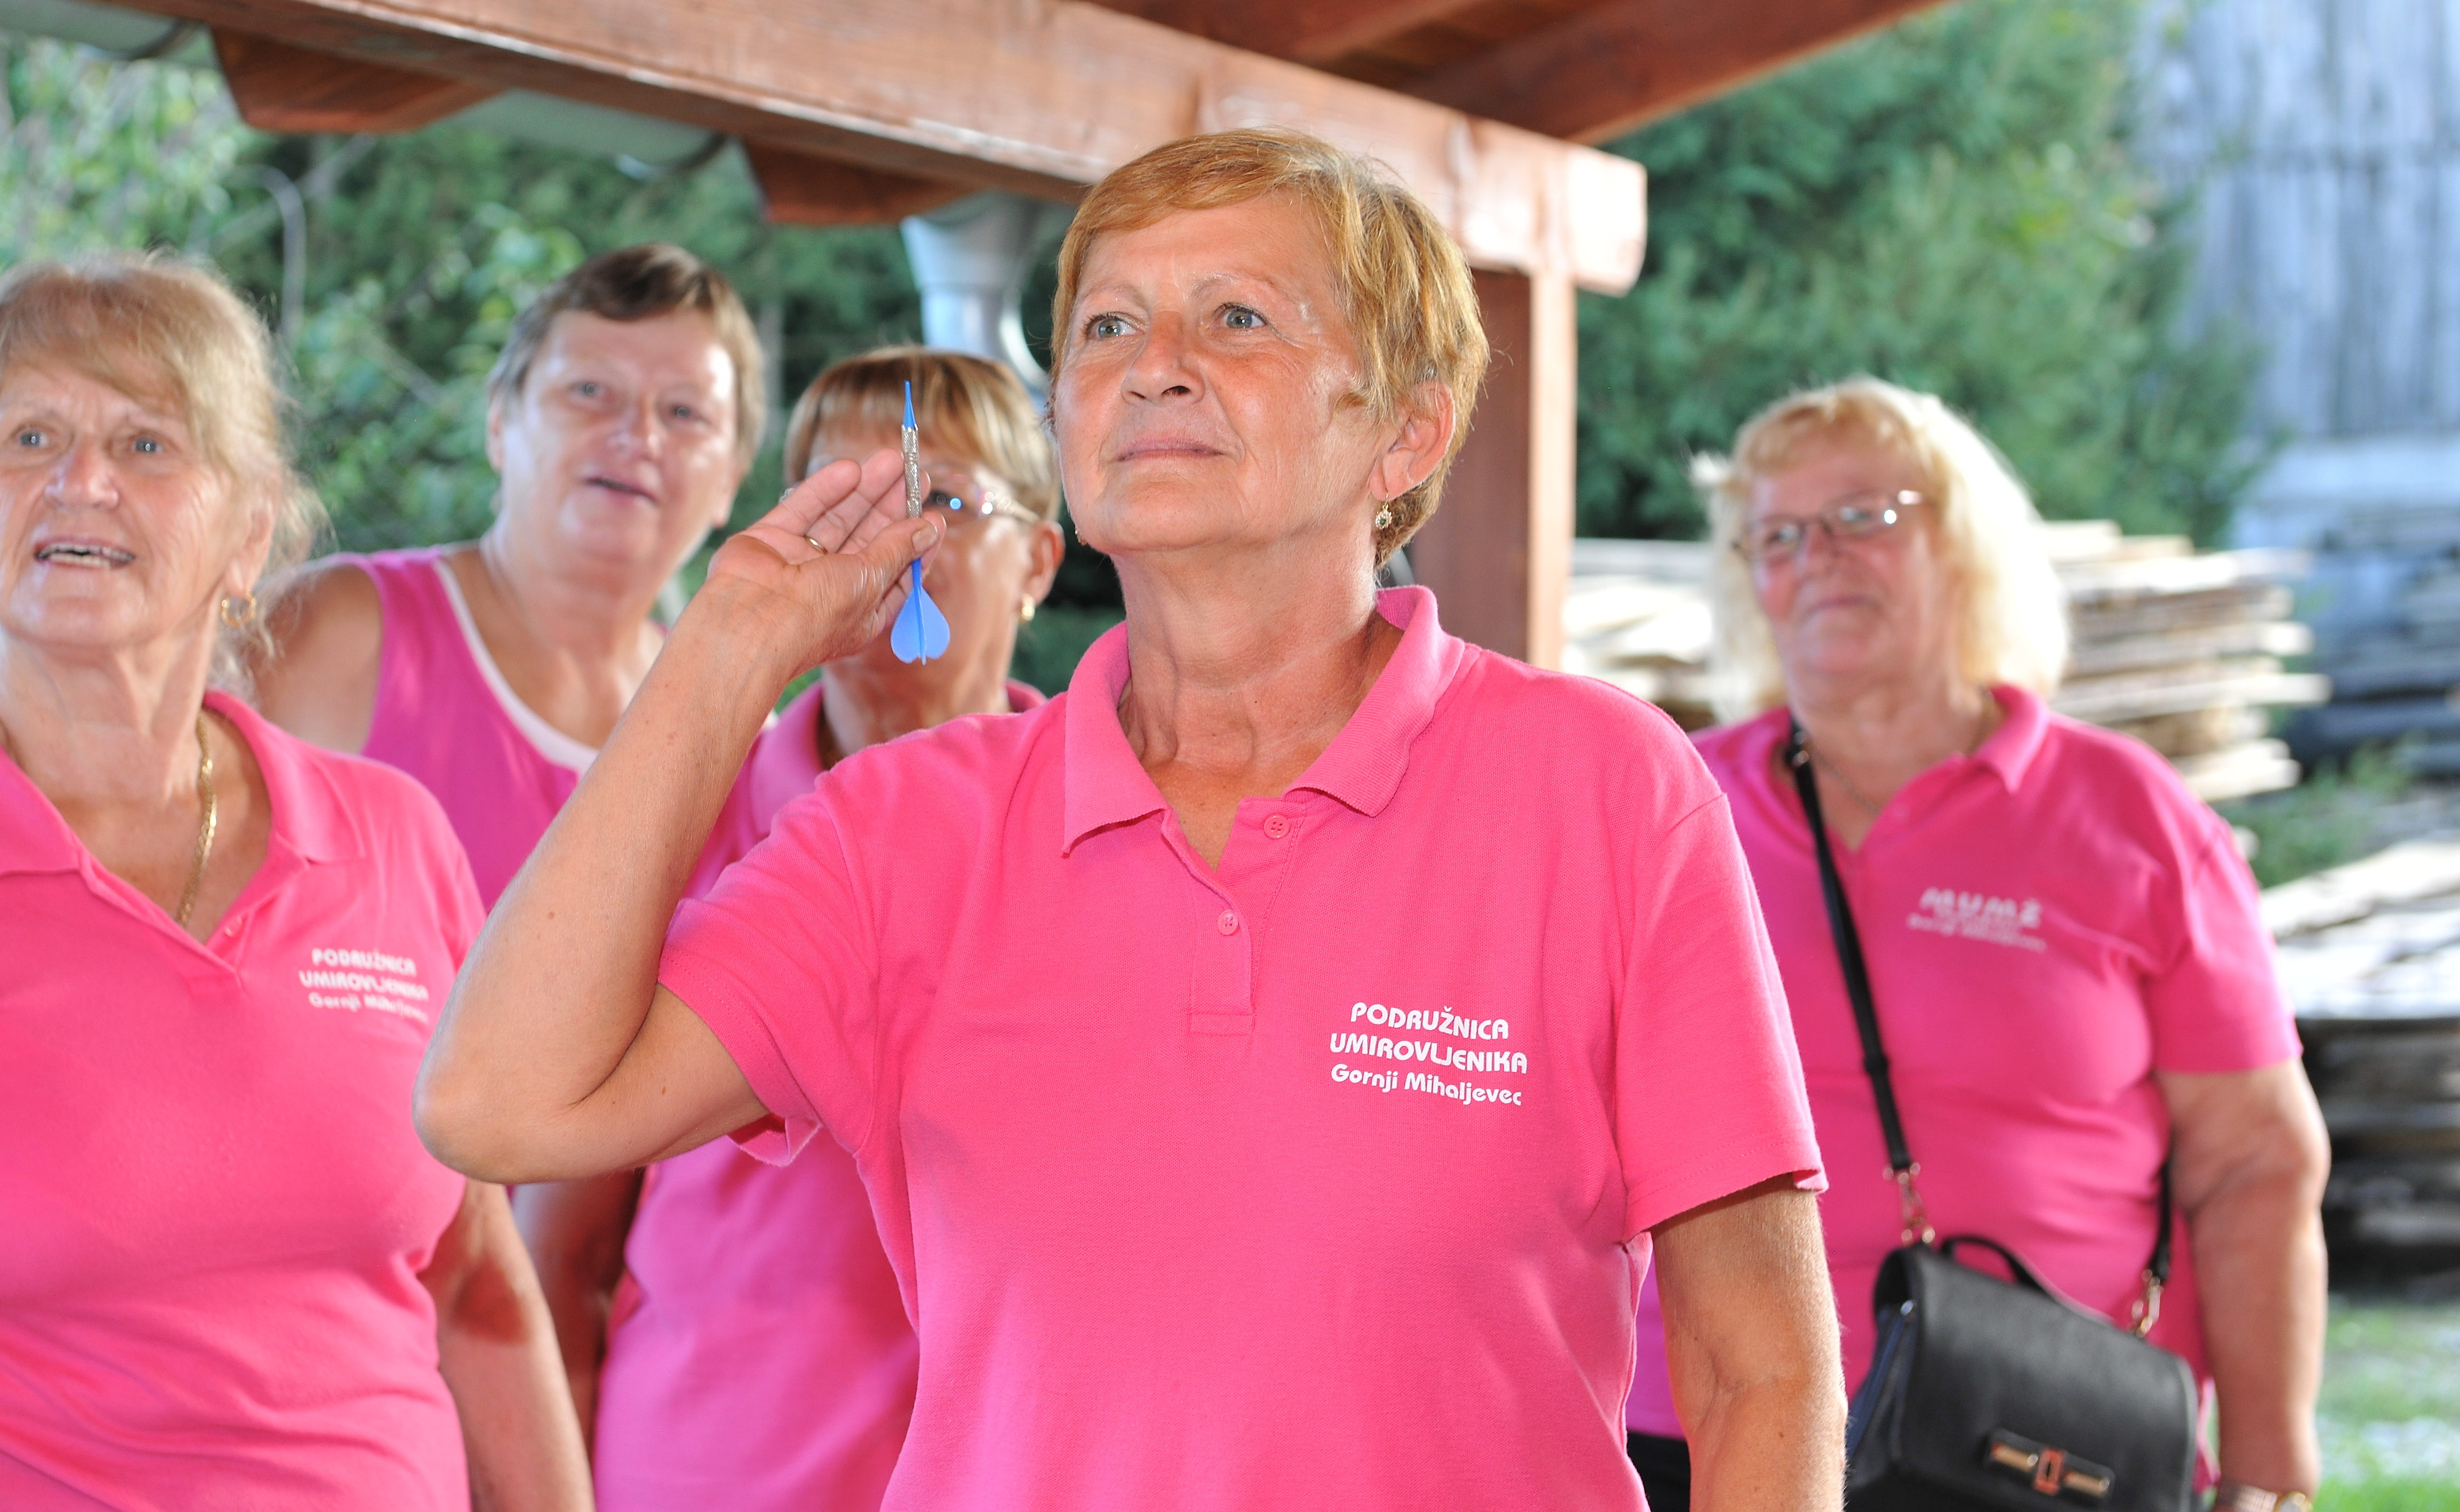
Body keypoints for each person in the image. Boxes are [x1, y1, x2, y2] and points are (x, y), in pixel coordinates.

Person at [417, 129, 1849, 1512]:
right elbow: (500, 1102)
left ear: (1406, 427)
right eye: (1105, 329)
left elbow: (1761, 1374)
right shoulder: (912, 828)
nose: (1154, 366)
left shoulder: (1605, 789)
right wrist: (729, 642)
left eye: (1237, 317)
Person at [0, 256, 586, 1511]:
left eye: (150, 443)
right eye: (32, 435)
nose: (83, 480)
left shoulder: (397, 843)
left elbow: (480, 1287)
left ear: (250, 537)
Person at [1622, 377, 2329, 1512]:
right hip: (1694, 1432)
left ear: (1966, 546)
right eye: (1779, 535)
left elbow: (2257, 1163)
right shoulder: (1664, 802)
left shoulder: (2130, 817)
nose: (1819, 557)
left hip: (2034, 1439)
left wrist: (2268, 1474)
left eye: (1864, 516)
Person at [254, 241, 764, 1429]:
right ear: (500, 422)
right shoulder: (338, 634)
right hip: (317, 1341)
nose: (635, 434)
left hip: (583, 1373)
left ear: (734, 476)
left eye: (684, 411)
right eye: (589, 391)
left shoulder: (753, 748)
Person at [586, 347, 1063, 1512]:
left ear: (1040, 560)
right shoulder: (672, 816)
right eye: (848, 497)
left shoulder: (1114, 832)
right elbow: (554, 1229)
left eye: (942, 498)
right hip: (714, 1467)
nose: (893, 539)